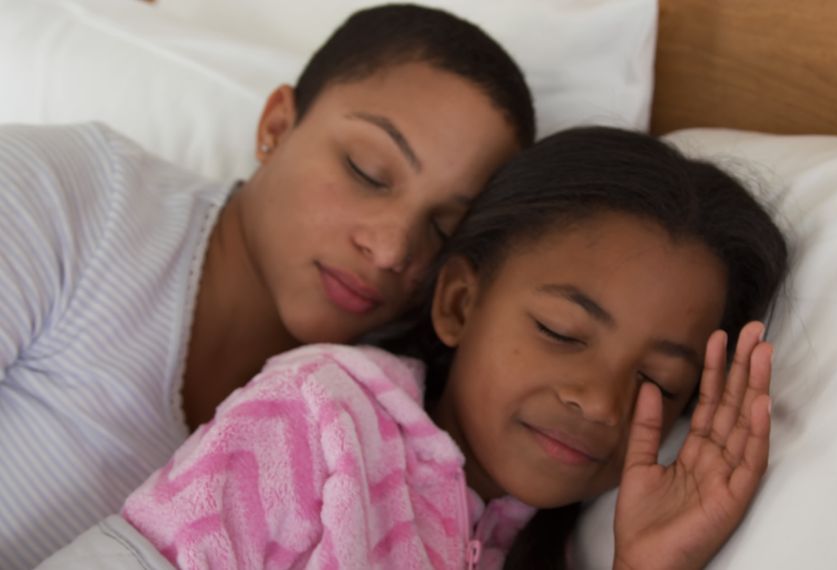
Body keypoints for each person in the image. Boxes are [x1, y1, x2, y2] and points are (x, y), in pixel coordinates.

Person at [38, 127, 789, 569]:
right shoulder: (323, 415)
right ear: (460, 302)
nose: (599, 401)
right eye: (561, 333)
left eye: (659, 380)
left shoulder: (514, 540)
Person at [0, 5, 534, 568]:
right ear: (277, 127)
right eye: (367, 171)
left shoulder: (381, 437)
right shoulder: (70, 195)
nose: (393, 248)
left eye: (443, 230)